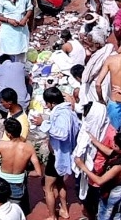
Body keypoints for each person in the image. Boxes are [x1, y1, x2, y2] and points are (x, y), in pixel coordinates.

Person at [0, 117, 42, 212]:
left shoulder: (1, 145)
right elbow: (38, 173)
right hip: (18, 185)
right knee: (16, 209)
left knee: (2, 210)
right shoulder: (29, 147)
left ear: (8, 134)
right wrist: (25, 173)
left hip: (1, 184)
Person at [33, 87, 78, 220]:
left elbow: (62, 134)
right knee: (59, 183)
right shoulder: (67, 111)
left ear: (51, 102)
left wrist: (43, 124)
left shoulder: (62, 114)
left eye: (46, 103)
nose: (46, 106)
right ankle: (64, 209)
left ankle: (52, 216)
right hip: (61, 155)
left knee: (48, 188)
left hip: (57, 156)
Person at [75, 129, 121, 220]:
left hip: (112, 192)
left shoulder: (118, 167)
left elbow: (99, 181)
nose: (113, 146)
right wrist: (94, 141)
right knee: (115, 213)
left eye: (115, 145)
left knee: (104, 214)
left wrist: (82, 166)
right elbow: (109, 152)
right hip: (120, 188)